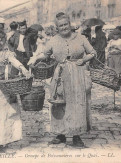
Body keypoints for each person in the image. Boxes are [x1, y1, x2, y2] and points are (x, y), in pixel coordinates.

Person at [28, 12, 96, 147]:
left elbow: (93, 52)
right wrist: (34, 58)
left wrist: (83, 60)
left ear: (70, 25)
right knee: (59, 103)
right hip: (60, 75)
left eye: (66, 24)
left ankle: (76, 135)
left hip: (77, 74)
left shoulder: (81, 38)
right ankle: (60, 134)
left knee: (77, 104)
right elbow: (45, 55)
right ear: (57, 28)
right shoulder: (53, 40)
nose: (64, 27)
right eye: (61, 25)